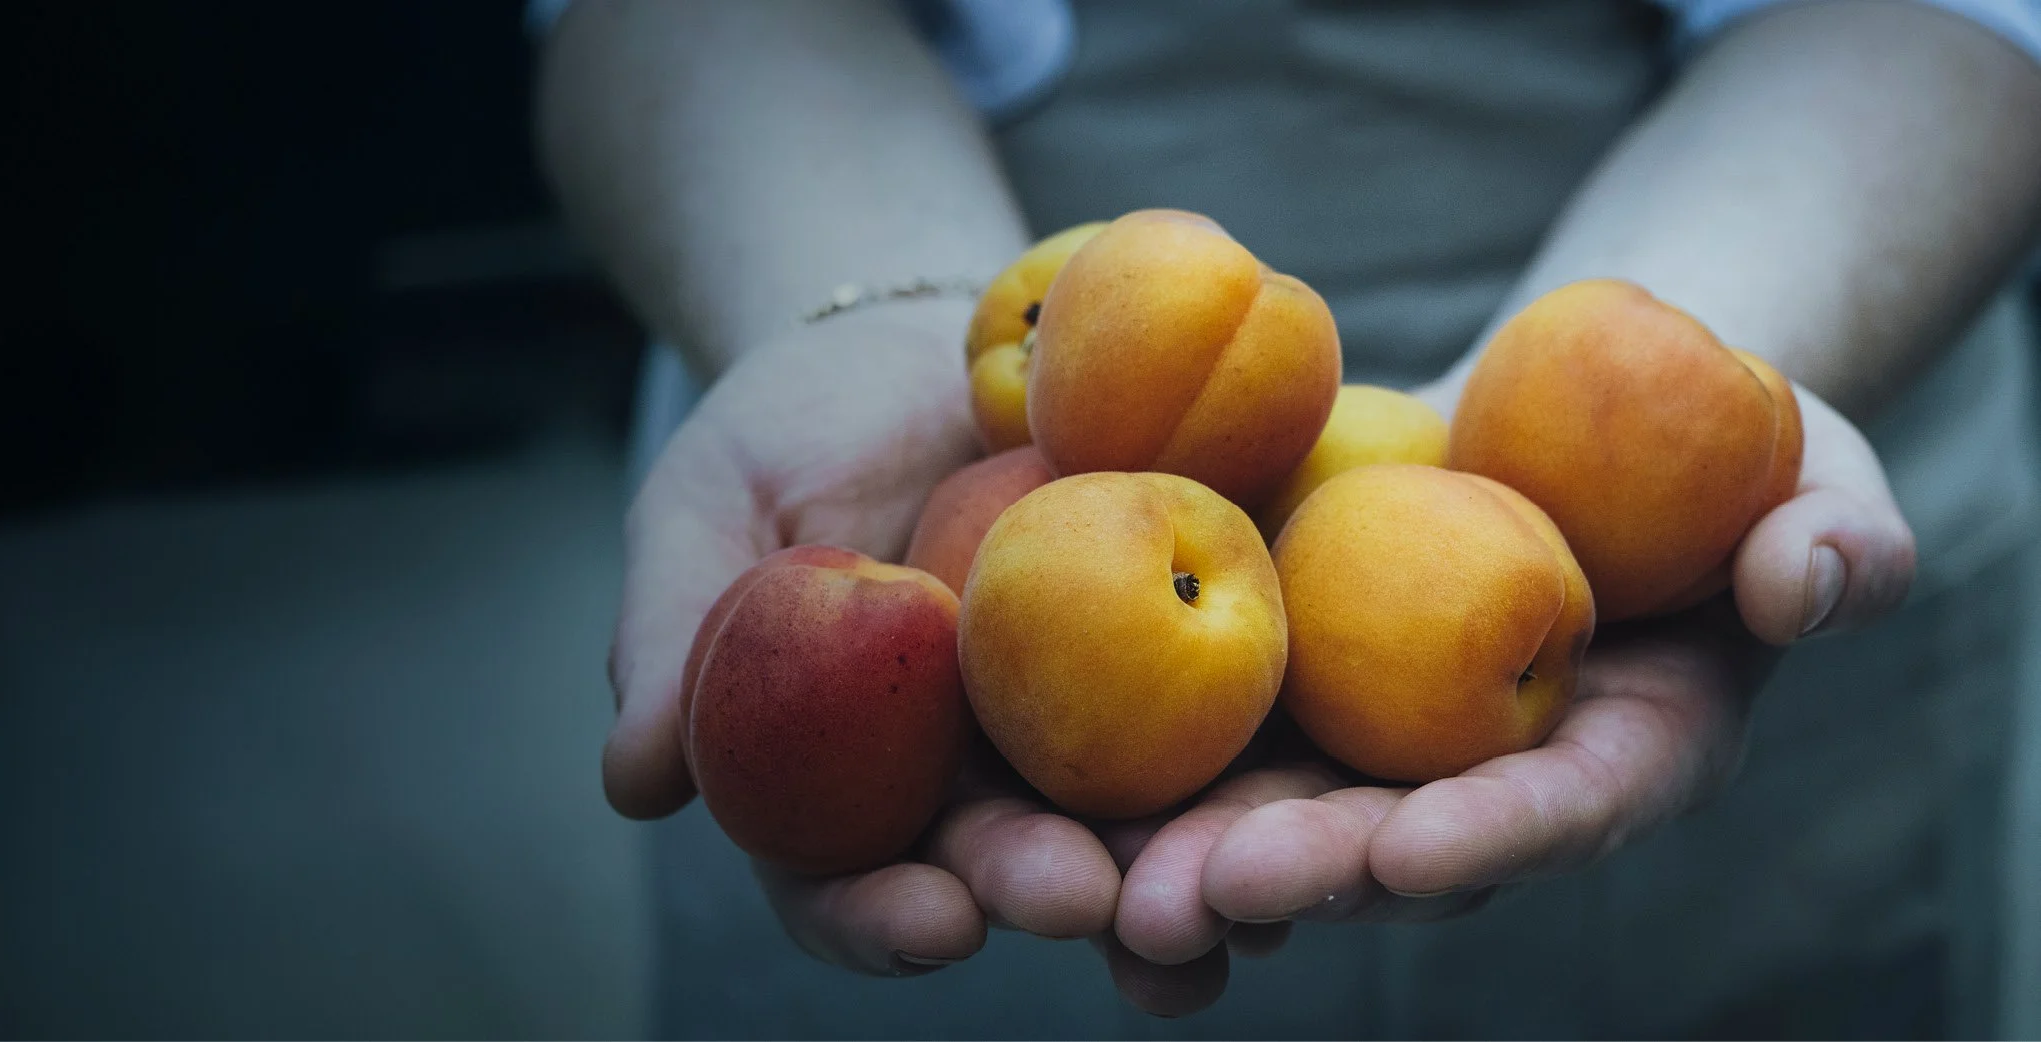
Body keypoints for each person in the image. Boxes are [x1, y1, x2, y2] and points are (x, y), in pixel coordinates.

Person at [534, 0, 2041, 1031]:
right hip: (851, 266)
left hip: (1788, 260)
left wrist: (1669, 425)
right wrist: (863, 316)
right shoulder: (991, 529)